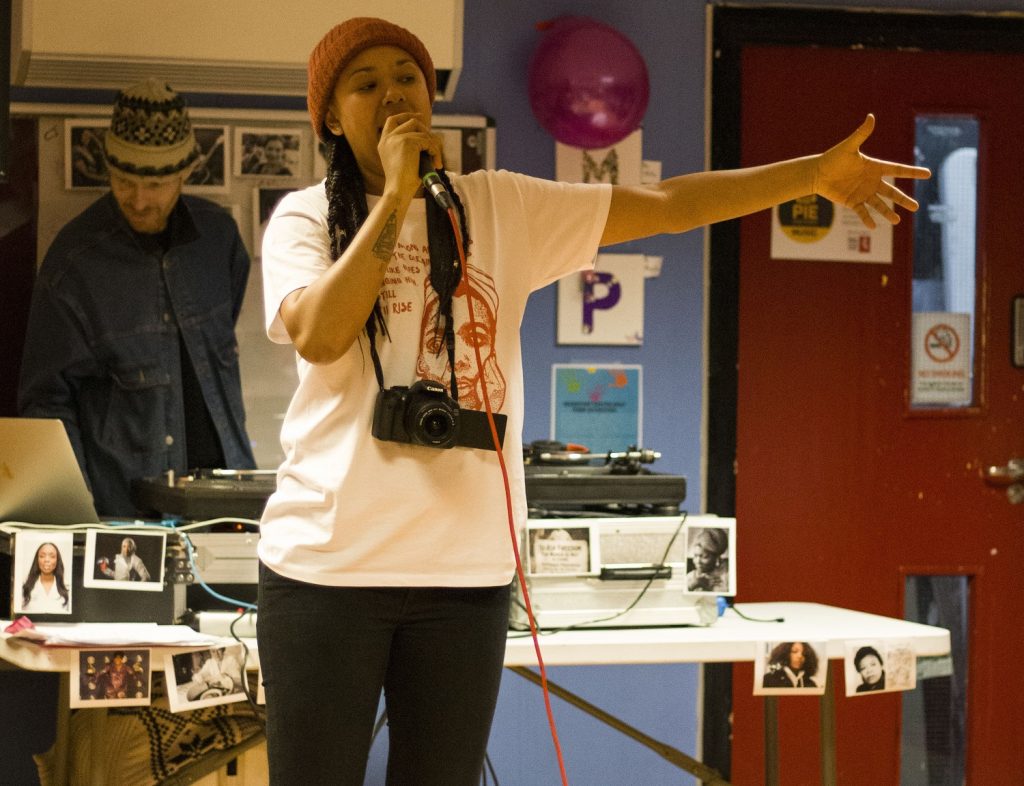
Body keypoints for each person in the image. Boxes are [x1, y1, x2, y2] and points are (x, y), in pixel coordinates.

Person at [254, 17, 929, 785]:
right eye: (366, 83)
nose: (393, 94)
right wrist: (397, 197)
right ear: (333, 119)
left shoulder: (498, 207)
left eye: (407, 77)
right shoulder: (309, 218)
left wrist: (809, 175)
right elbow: (319, 334)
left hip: (465, 579)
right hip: (326, 575)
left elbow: (668, 203)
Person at [18, 78, 256, 516]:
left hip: (226, 505)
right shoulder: (74, 263)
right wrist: (78, 513)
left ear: (185, 172)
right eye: (124, 181)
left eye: (158, 183)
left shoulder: (219, 238)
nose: (140, 200)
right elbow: (46, 404)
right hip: (124, 513)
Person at [20, 541, 71, 613]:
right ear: (37, 560)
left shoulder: (67, 587)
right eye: (42, 556)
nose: (46, 560)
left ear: (57, 560)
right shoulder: (25, 586)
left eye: (52, 556)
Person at [686, 527, 729, 592]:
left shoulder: (726, 576)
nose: (697, 561)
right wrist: (694, 584)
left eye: (704, 557)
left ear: (716, 557)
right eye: (695, 556)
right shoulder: (690, 577)